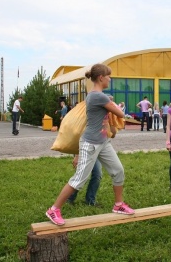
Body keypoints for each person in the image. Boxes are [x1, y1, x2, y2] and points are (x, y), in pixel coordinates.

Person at [46, 63, 134, 226]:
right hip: (90, 143)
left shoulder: (98, 96)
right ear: (101, 78)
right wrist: (112, 103)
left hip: (103, 142)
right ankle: (54, 209)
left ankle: (119, 204)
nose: (110, 79)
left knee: (118, 171)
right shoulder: (98, 96)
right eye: (108, 76)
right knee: (79, 179)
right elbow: (121, 113)